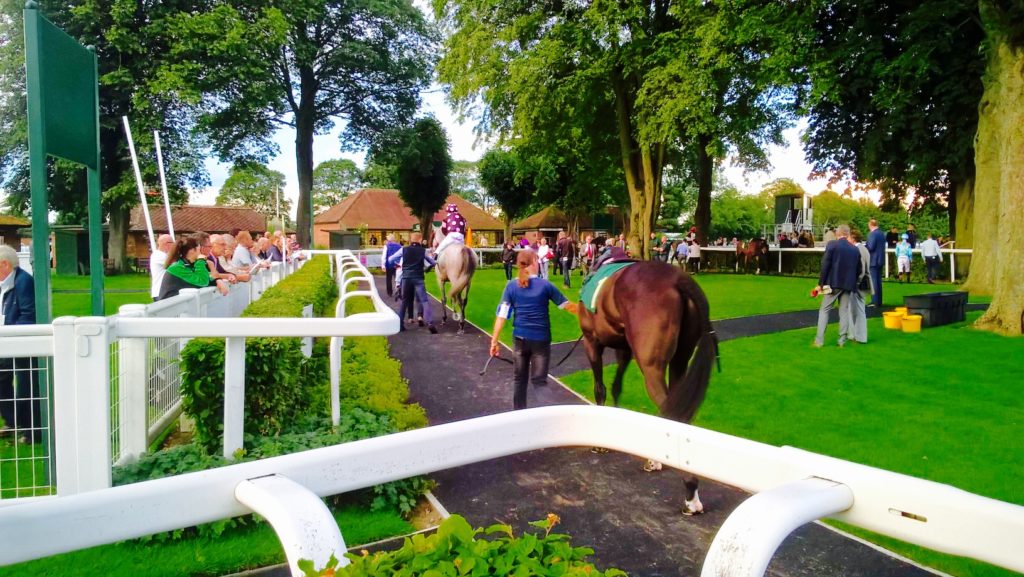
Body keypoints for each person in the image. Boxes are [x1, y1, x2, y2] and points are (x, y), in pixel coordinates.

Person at [489, 250, 578, 410]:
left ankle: (519, 415)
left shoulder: (511, 286)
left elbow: (502, 316)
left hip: (520, 339)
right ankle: (551, 418)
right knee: (539, 381)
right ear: (533, 264)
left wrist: (494, 342)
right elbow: (568, 306)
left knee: (519, 379)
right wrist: (590, 312)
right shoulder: (546, 286)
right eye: (537, 260)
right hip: (541, 340)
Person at [0, 245, 40, 445]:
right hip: (6, 340)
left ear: (5, 264)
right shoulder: (7, 284)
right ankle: (14, 422)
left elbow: (28, 314)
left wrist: (9, 332)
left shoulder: (23, 282)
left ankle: (29, 430)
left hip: (18, 341)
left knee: (25, 386)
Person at [813, 224, 862, 348]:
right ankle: (842, 341)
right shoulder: (855, 249)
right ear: (848, 234)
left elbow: (825, 265)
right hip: (848, 285)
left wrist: (820, 284)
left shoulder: (832, 245)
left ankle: (819, 341)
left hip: (833, 285)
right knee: (844, 311)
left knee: (824, 310)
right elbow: (858, 270)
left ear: (837, 233)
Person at [390, 232, 437, 334]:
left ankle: (400, 324)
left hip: (406, 278)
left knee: (404, 302)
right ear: (420, 240)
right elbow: (432, 262)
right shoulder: (423, 251)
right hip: (418, 278)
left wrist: (398, 264)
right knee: (424, 300)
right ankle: (430, 323)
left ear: (411, 240)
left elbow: (391, 259)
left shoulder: (403, 249)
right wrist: (432, 264)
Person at [159, 236, 229, 300]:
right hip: (169, 308)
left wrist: (218, 281)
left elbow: (208, 277)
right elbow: (202, 282)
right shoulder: (177, 267)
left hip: (180, 306)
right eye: (199, 249)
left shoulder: (187, 264)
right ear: (192, 250)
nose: (201, 252)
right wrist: (200, 261)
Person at [848, 230, 871, 344]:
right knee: (855, 310)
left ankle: (860, 337)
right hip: (863, 283)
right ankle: (854, 335)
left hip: (858, 284)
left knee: (858, 311)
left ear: (853, 238)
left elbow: (861, 270)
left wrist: (856, 283)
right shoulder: (863, 248)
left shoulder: (858, 249)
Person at [865, 218, 886, 307]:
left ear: (870, 225)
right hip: (880, 260)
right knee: (878, 281)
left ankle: (875, 302)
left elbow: (871, 247)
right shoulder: (882, 234)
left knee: (873, 282)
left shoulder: (872, 234)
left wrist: (862, 248)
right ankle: (878, 301)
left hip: (873, 260)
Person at [150, 234, 174, 302]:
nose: (173, 245)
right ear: (166, 244)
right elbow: (176, 266)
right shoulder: (159, 255)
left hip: (163, 291)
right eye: (172, 243)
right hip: (160, 291)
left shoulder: (162, 255)